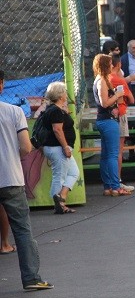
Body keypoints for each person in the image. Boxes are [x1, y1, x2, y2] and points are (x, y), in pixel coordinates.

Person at [0, 69, 53, 290]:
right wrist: (14, 155)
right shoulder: (13, 112)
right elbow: (25, 147)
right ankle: (31, 278)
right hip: (10, 176)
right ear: (2, 84)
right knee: (22, 228)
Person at [93, 54, 130, 196]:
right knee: (113, 155)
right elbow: (104, 103)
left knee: (105, 155)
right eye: (109, 64)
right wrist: (117, 95)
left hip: (104, 120)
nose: (111, 66)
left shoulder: (100, 80)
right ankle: (115, 186)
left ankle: (108, 186)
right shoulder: (102, 80)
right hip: (108, 120)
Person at [41, 82, 80, 214]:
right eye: (64, 92)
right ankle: (58, 203)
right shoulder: (55, 111)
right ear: (60, 95)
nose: (66, 95)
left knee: (74, 172)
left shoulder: (54, 110)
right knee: (59, 176)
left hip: (56, 147)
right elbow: (57, 130)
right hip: (58, 147)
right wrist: (65, 147)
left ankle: (61, 198)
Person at [109, 54, 135, 192]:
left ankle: (109, 183)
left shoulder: (102, 79)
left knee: (108, 152)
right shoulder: (119, 80)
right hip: (120, 113)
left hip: (106, 116)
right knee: (118, 151)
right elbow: (131, 99)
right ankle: (117, 181)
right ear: (118, 65)